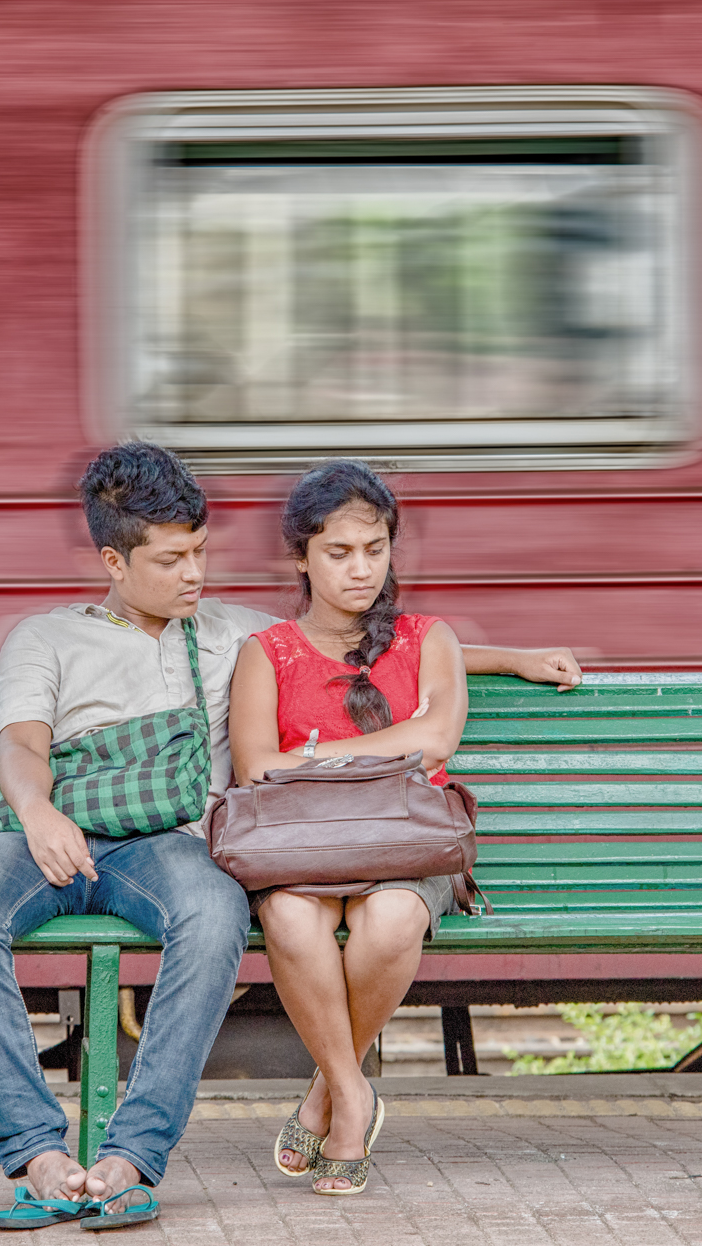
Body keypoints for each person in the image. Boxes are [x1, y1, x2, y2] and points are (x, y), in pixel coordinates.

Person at [0, 443, 579, 1229]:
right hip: (49, 833)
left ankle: (130, 1157)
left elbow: (362, 645)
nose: (194, 574)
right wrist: (37, 811)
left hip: (164, 846)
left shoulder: (232, 633)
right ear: (113, 561)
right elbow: (22, 744)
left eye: (200, 551)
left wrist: (514, 660)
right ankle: (38, 1153)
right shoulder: (45, 637)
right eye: (171, 560)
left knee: (216, 912)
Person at [228, 458, 539, 1196]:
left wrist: (314, 755)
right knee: (290, 918)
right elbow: (254, 767)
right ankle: (353, 1090)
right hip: (301, 848)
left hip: (406, 847)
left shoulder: (429, 636)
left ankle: (325, 1095)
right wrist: (382, 750)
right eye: (338, 552)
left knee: (394, 918)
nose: (361, 569)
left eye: (375, 549)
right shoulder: (266, 653)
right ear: (300, 557)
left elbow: (436, 738)